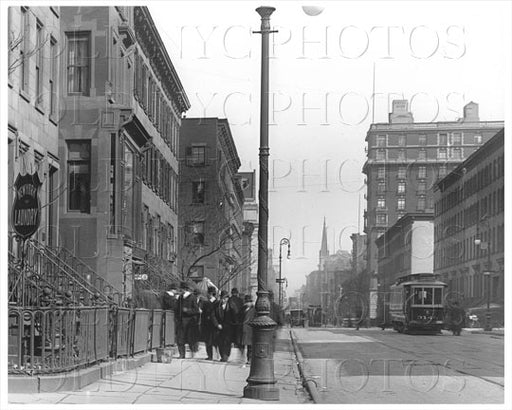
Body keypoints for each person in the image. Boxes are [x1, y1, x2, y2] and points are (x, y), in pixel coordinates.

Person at [176, 281, 200, 358]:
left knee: (190, 339)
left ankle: (193, 353)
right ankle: (182, 354)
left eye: (181, 289)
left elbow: (196, 310)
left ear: (185, 289)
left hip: (189, 322)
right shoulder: (180, 298)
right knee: (180, 339)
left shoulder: (192, 297)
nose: (180, 291)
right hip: (181, 321)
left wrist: (188, 310)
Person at [212, 290, 235, 362]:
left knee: (227, 342)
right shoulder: (216, 305)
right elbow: (213, 316)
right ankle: (222, 356)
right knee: (220, 342)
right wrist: (217, 324)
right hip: (219, 327)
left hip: (228, 327)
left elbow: (234, 316)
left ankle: (226, 356)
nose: (224, 300)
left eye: (226, 298)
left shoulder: (231, 306)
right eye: (223, 298)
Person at [199, 286, 217, 360]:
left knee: (215, 340)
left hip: (215, 324)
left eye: (208, 293)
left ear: (211, 294)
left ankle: (215, 355)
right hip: (207, 325)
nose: (207, 295)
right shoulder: (205, 303)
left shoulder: (217, 302)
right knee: (208, 341)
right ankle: (210, 356)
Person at [241, 294, 255, 364]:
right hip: (243, 329)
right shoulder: (243, 309)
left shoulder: (254, 310)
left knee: (250, 346)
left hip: (250, 329)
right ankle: (243, 358)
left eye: (249, 302)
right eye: (246, 302)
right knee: (243, 345)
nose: (247, 303)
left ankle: (249, 359)